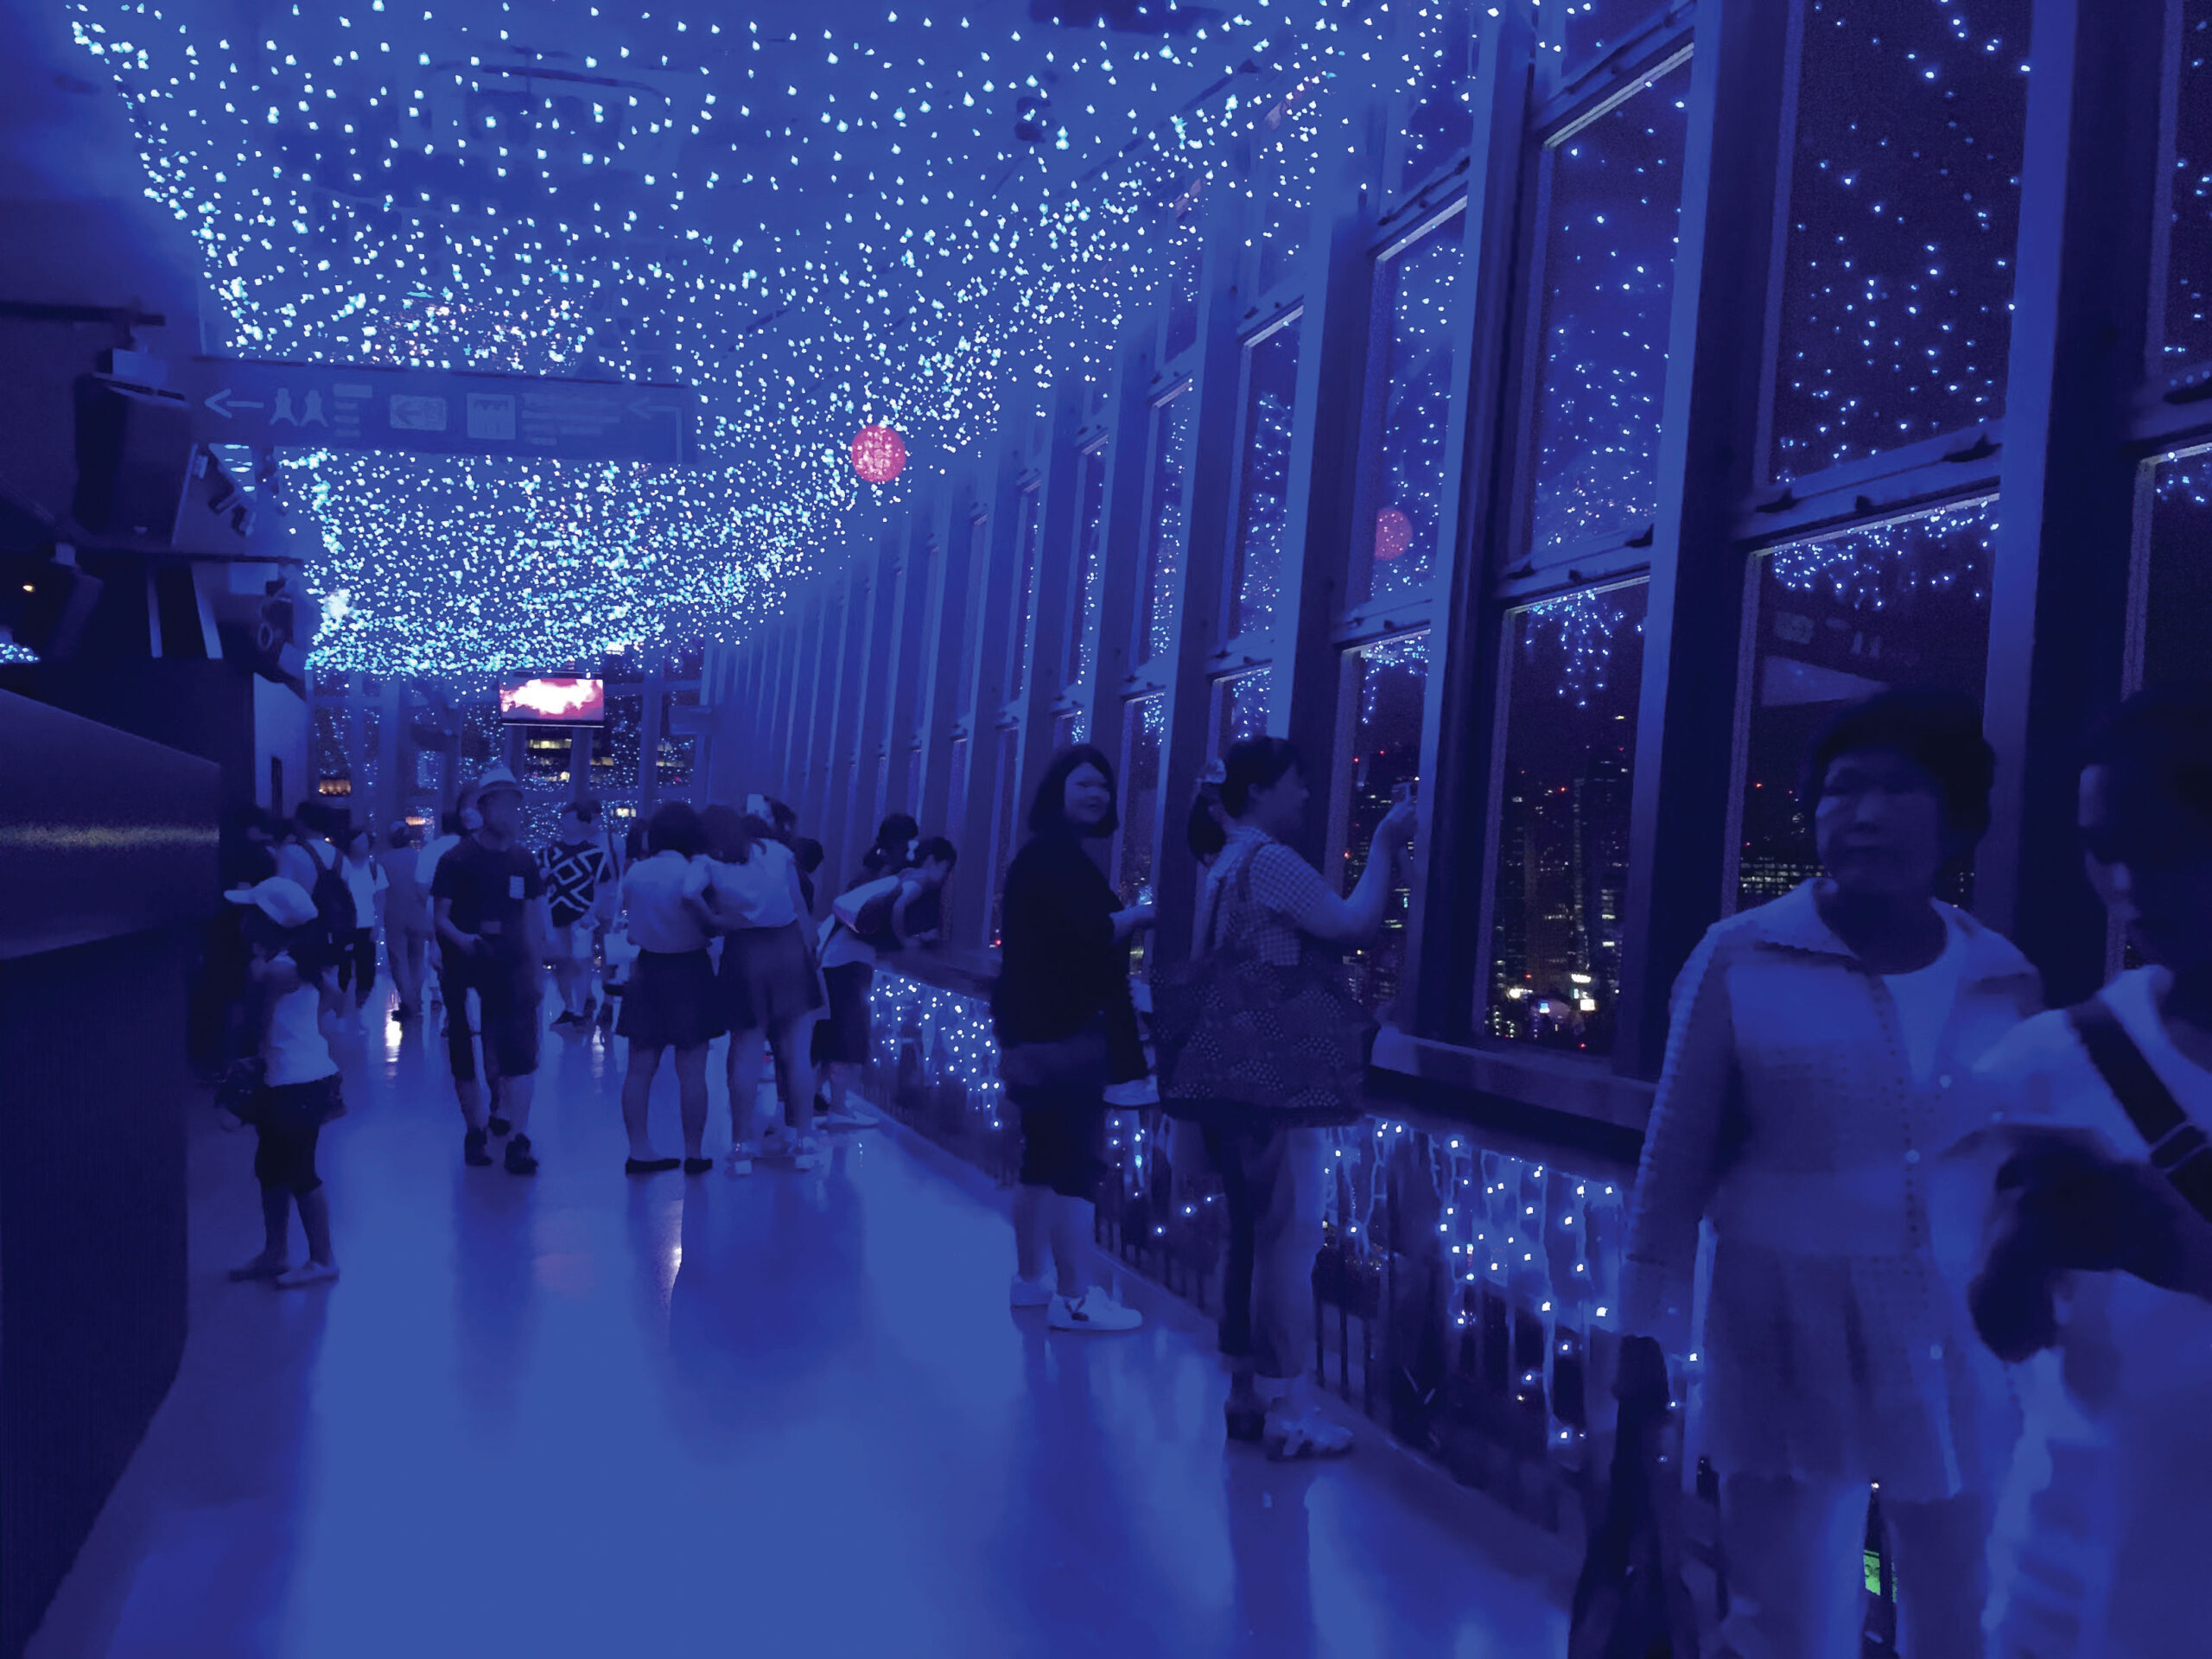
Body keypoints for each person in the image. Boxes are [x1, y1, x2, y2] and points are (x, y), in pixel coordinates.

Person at [1618, 689, 2042, 1659]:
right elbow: (1672, 1162)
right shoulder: (1744, 955)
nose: (1864, 812)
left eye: (1899, 788)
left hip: (1955, 1331)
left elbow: (2014, 1162)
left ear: (1960, 821)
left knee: (1968, 1599)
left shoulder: (2001, 976)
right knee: (1784, 1613)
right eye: (1841, 790)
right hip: (1782, 1321)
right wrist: (1640, 1335)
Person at [1965, 684, 2212, 1659]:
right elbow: (2002, 1332)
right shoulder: (2046, 1061)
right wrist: (2020, 1258)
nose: (2125, 885)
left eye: (2166, 847)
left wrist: (2182, 1253)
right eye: (2099, 847)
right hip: (2064, 1580)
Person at [1197, 736, 1417, 1459]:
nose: (1306, 797)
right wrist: (1386, 843)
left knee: (1245, 1237)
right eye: (1296, 783)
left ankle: (1243, 1392)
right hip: (1279, 1079)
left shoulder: (1223, 865)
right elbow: (1353, 925)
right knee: (1288, 1246)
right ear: (1259, 790)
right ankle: (1290, 1409)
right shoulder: (1271, 861)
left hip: (1227, 1076)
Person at [995, 746, 1153, 1333]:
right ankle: (1077, 1298)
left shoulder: (1040, 857)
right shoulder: (1057, 861)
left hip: (1031, 1030)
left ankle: (1030, 1281)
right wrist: (1137, 917)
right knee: (1075, 1165)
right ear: (1058, 790)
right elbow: (1088, 932)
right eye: (1085, 784)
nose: (1096, 795)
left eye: (1104, 788)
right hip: (1067, 1031)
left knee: (1040, 1161)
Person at [221, 876, 345, 1288]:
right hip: (292, 1076)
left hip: (298, 1082)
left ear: (267, 922)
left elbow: (255, 1020)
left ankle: (323, 1259)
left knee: (299, 1170)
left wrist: (256, 972)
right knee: (270, 1168)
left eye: (250, 912)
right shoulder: (297, 961)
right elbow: (335, 995)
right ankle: (275, 1252)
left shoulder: (277, 969)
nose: (242, 918)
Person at [431, 766, 545, 1175]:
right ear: (483, 808)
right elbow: (440, 916)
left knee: (519, 1053)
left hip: (510, 966)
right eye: (504, 803)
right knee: (465, 1048)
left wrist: (537, 968)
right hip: (465, 965)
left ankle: (519, 1136)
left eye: (517, 803)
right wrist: (463, 941)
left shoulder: (523, 860)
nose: (513, 811)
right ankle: (474, 1130)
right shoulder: (457, 859)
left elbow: (532, 917)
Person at [700, 804, 823, 1177]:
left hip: (744, 953)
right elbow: (801, 909)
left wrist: (717, 922)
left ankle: (741, 1148)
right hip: (788, 950)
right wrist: (811, 953)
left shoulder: (709, 863)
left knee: (745, 1054)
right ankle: (804, 1141)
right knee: (798, 1055)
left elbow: (699, 904)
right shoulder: (780, 854)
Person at [811, 835, 958, 1133]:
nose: (944, 878)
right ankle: (838, 1109)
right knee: (845, 1040)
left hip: (837, 960)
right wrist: (906, 942)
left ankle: (807, 1105)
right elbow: (900, 908)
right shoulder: (915, 882)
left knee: (831, 1040)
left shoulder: (898, 877)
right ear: (933, 862)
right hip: (849, 964)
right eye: (946, 869)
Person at [617, 801, 724, 1175]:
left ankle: (639, 1150)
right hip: (691, 970)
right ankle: (694, 1153)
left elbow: (626, 922)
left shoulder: (635, 873)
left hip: (647, 970)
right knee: (692, 1071)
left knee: (639, 1070)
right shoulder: (697, 873)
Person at [542, 798, 613, 1030]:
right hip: (556, 915)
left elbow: (602, 886)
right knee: (562, 962)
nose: (566, 822)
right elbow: (539, 887)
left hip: (581, 916)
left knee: (581, 962)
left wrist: (591, 911)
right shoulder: (549, 853)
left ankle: (579, 1009)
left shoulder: (595, 854)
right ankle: (571, 1007)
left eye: (571, 817)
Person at [381, 818, 432, 1021]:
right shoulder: (418, 858)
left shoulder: (382, 860)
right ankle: (417, 999)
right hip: (418, 914)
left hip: (394, 915)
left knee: (399, 960)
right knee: (417, 959)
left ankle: (407, 1002)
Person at [338, 821, 387, 1012]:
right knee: (343, 967)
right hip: (345, 925)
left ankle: (360, 1003)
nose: (362, 847)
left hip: (367, 924)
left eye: (365, 843)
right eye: (358, 843)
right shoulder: (341, 866)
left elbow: (380, 899)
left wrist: (377, 924)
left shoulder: (375, 869)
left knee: (366, 969)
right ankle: (341, 1004)